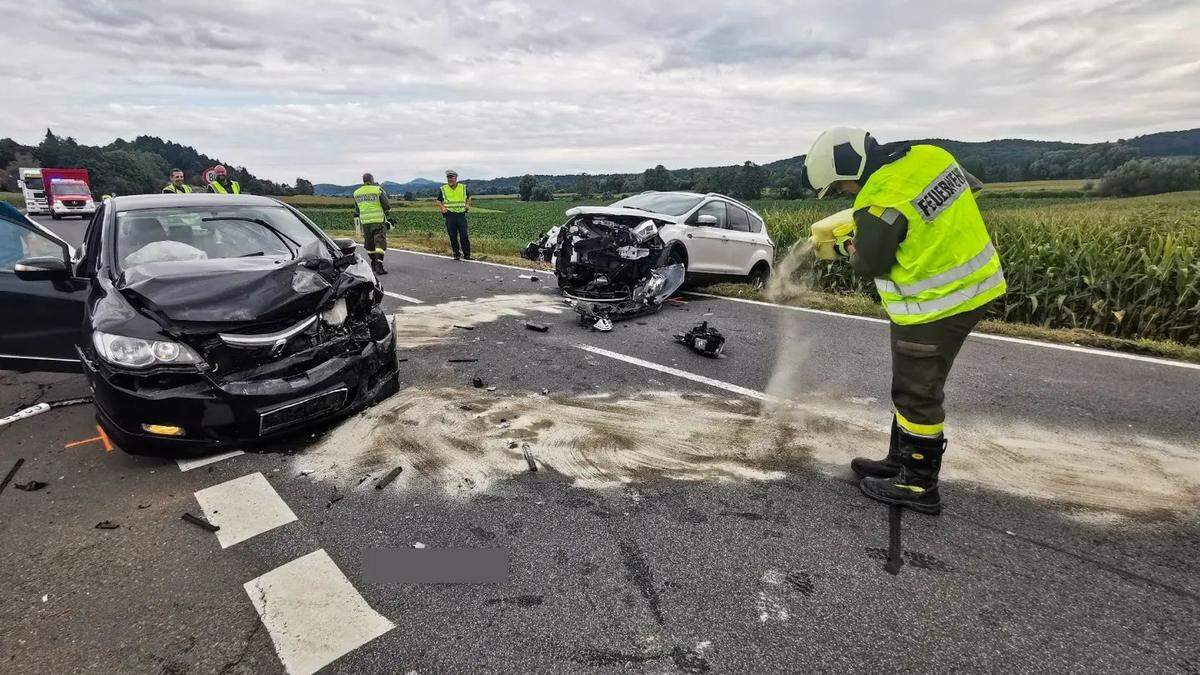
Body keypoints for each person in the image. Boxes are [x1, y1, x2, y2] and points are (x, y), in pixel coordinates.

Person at [802, 127, 1005, 515]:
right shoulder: (931, 156)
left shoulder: (877, 197)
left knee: (916, 391)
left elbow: (870, 264)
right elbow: (965, 191)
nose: (846, 194)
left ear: (849, 167)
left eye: (841, 186)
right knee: (910, 383)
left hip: (936, 303)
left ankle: (917, 481)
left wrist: (850, 247)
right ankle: (899, 459)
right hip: (977, 284)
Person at [353, 173, 391, 275]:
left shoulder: (356, 193)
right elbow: (387, 206)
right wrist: (387, 213)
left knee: (369, 244)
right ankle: (379, 265)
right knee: (380, 243)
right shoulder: (377, 190)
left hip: (365, 222)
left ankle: (373, 263)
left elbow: (357, 210)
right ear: (372, 179)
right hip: (378, 221)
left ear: (363, 181)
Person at [437, 169, 472, 260]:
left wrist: (468, 204)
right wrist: (442, 208)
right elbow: (438, 201)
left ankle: (467, 255)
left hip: (461, 215)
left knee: (464, 235)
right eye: (448, 178)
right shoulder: (443, 189)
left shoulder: (463, 187)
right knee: (452, 236)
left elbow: (469, 197)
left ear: (456, 178)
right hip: (450, 215)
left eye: (451, 177)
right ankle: (456, 254)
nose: (450, 180)